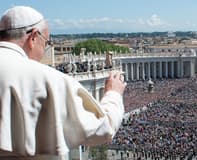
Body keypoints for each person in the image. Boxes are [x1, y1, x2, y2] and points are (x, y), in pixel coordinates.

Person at [0, 6, 126, 159]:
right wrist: (113, 94)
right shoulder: (47, 79)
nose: (45, 49)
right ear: (33, 37)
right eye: (46, 42)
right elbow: (102, 128)